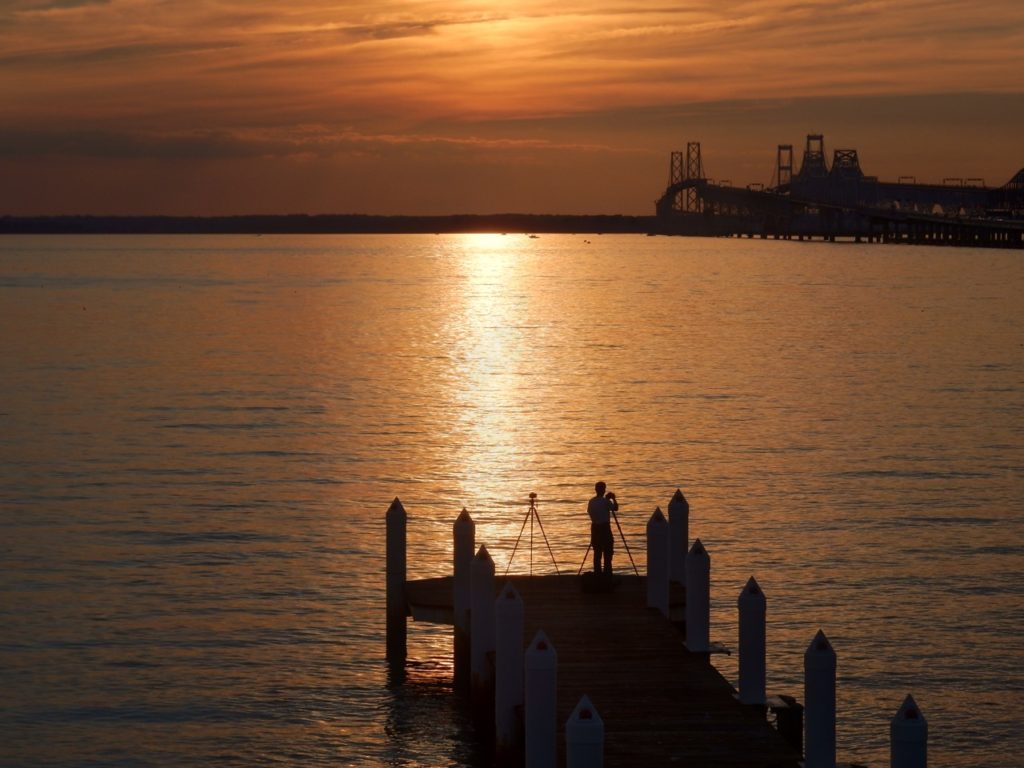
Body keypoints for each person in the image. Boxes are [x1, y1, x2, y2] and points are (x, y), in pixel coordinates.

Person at [587, 481, 618, 575]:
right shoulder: (606, 501)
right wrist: (613, 499)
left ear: (595, 490)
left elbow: (589, 512)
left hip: (595, 528)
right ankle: (607, 575)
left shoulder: (591, 501)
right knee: (608, 552)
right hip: (605, 528)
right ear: (604, 490)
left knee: (597, 553)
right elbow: (615, 508)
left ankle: (598, 575)